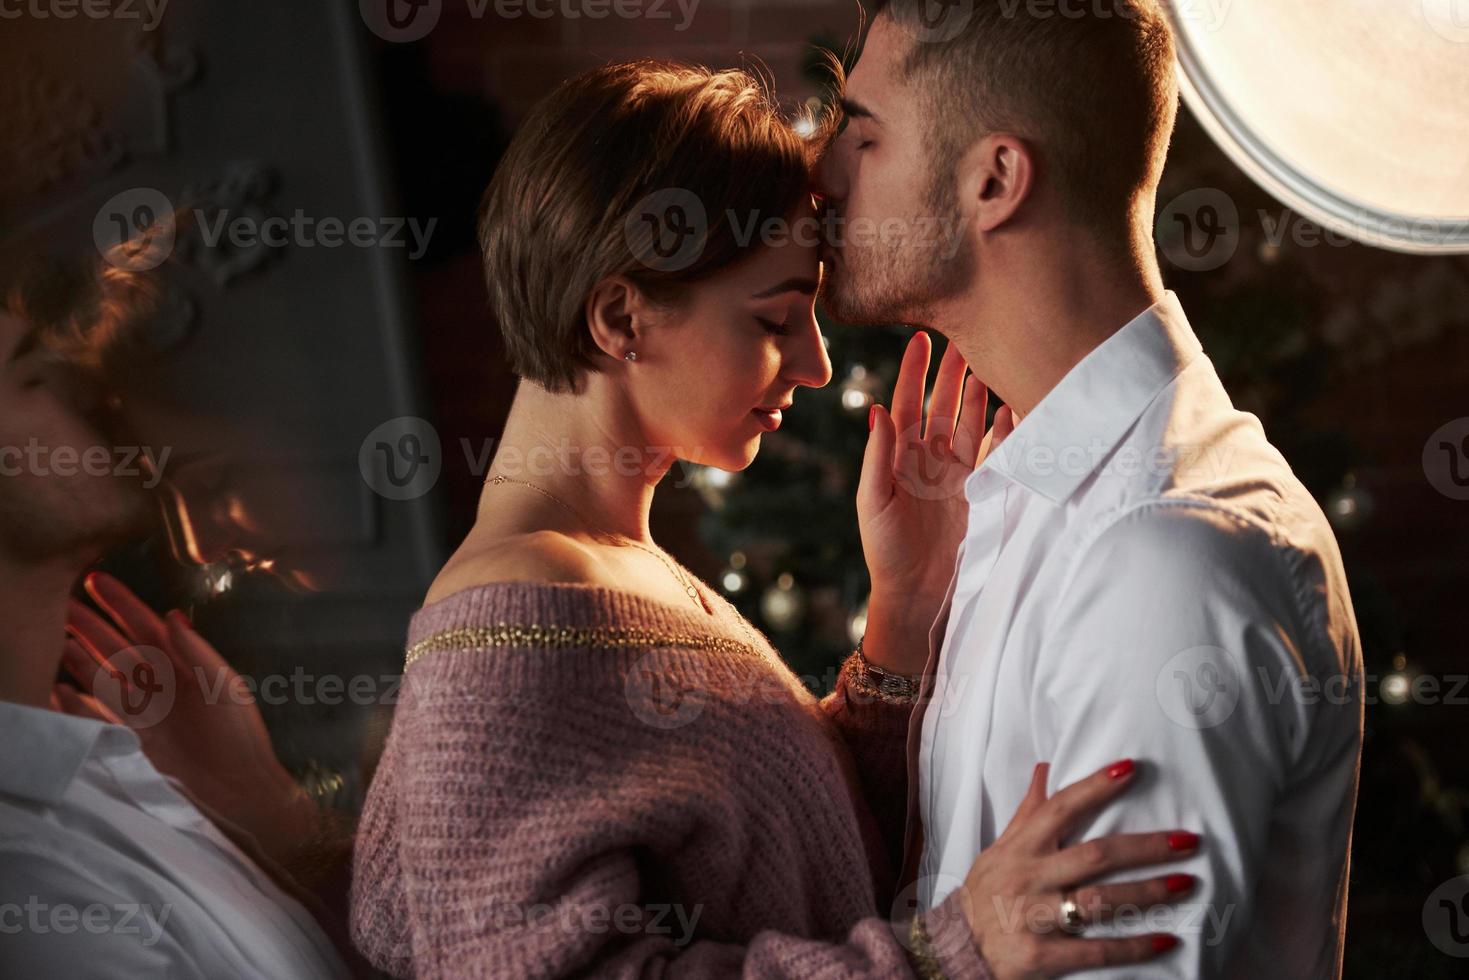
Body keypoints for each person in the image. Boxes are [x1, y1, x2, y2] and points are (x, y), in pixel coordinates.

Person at [349, 60, 1201, 979]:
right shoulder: (509, 633)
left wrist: (904, 611)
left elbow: (811, 861)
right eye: (774, 319)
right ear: (619, 316)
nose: (816, 365)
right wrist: (950, 952)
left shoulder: (614, 572)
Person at [815, 2, 1365, 977]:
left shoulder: (1162, 555)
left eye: (862, 135)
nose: (819, 174)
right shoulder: (1022, 492)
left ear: (993, 179)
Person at [0, 277, 357, 977]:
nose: (79, 389)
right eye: (28, 375)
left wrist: (274, 821)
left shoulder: (99, 771)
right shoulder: (27, 894)